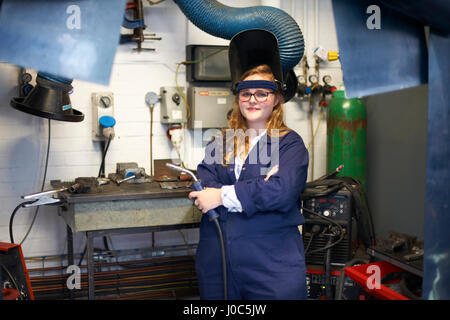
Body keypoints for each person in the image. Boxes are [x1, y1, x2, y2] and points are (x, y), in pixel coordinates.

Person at [188, 63, 309, 300]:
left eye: (262, 93)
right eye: (246, 94)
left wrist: (220, 196)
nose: (252, 100)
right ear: (238, 99)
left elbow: (281, 191)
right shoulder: (222, 141)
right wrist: (256, 188)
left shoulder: (289, 144)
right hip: (218, 261)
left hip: (270, 263)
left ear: (275, 100)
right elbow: (203, 181)